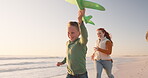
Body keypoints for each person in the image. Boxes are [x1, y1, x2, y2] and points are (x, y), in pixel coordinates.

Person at [56, 9, 88, 78]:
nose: (70, 35)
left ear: (79, 33)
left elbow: (84, 36)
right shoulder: (68, 43)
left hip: (81, 74)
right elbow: (68, 56)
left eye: (72, 33)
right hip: (70, 74)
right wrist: (62, 62)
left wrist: (80, 21)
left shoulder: (81, 43)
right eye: (68, 33)